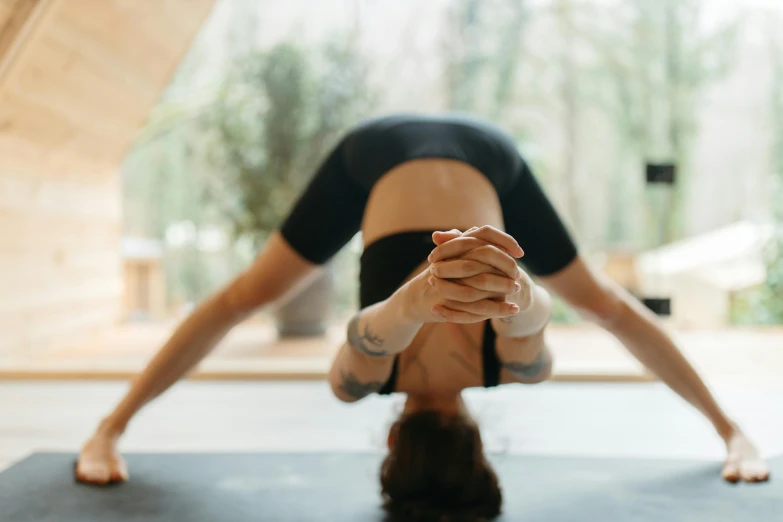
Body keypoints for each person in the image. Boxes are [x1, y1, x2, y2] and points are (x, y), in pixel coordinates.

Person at [76, 114, 770, 520]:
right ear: (387, 449)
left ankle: (110, 427)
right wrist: (510, 290)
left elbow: (368, 335)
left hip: (371, 161)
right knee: (600, 305)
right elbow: (531, 325)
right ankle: (106, 431)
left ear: (481, 447)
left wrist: (428, 294)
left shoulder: (389, 377)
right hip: (487, 164)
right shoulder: (457, 374)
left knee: (244, 296)